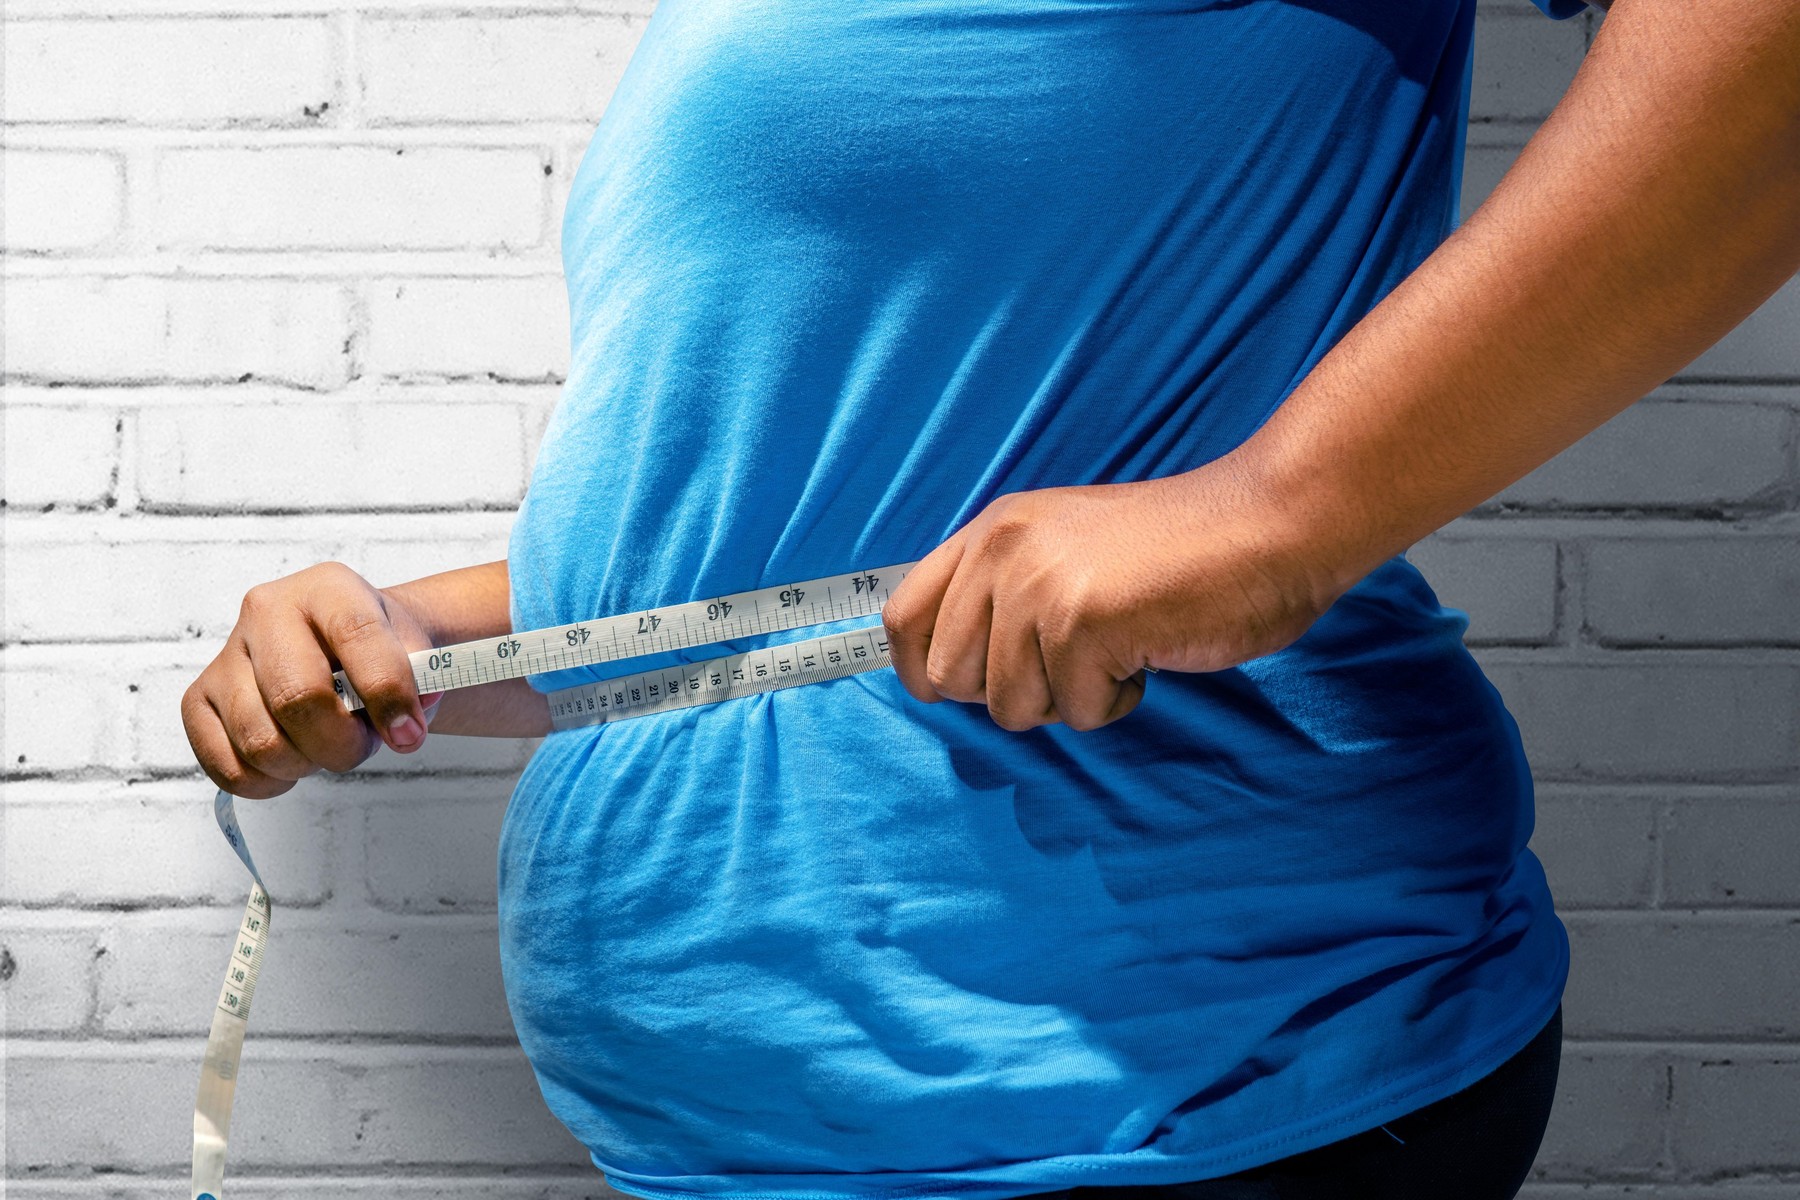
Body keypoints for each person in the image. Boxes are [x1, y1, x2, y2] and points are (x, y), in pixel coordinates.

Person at [181, 0, 1800, 1196]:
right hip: (744, 1141)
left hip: (1165, 1085)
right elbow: (773, 562)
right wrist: (415, 643)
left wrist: (1277, 514)